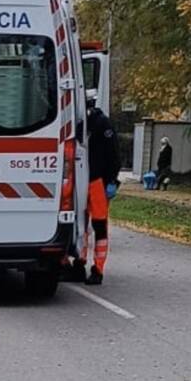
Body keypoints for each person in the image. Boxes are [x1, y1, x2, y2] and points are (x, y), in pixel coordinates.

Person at [65, 89, 121, 285]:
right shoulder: (79, 124)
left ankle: (97, 269)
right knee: (80, 225)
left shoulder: (102, 124)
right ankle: (79, 264)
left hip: (97, 180)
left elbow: (113, 154)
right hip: (82, 179)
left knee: (98, 226)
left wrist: (112, 180)